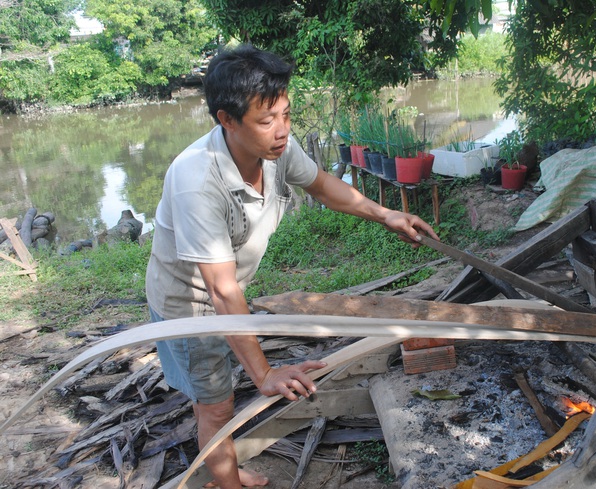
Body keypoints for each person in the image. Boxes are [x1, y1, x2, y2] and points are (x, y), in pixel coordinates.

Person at [145, 44, 438, 488]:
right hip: (189, 304)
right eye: (266, 121)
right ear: (226, 119)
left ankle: (220, 464)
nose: (281, 130)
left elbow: (322, 186)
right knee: (215, 405)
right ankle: (225, 482)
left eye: (286, 114)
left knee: (214, 397)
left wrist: (387, 215)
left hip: (227, 295)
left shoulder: (276, 150)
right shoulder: (195, 182)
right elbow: (221, 292)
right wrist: (263, 374)